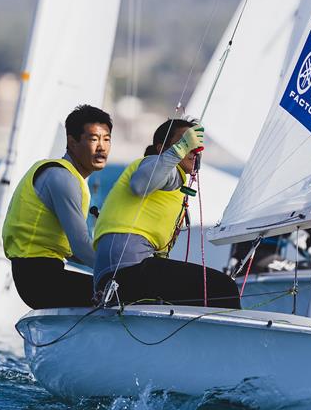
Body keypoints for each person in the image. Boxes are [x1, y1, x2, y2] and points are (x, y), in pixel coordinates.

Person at [92, 119, 241, 308]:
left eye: (194, 143)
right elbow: (140, 185)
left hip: (115, 276)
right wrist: (180, 149)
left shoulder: (172, 184)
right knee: (223, 287)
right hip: (123, 272)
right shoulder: (158, 165)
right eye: (186, 141)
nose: (193, 149)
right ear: (162, 147)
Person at [2, 104, 112, 309]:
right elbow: (80, 244)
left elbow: (73, 250)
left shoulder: (68, 176)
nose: (101, 147)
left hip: (40, 274)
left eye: (106, 139)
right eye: (93, 139)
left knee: (115, 288)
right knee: (127, 293)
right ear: (72, 141)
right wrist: (118, 272)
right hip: (39, 279)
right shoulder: (61, 177)